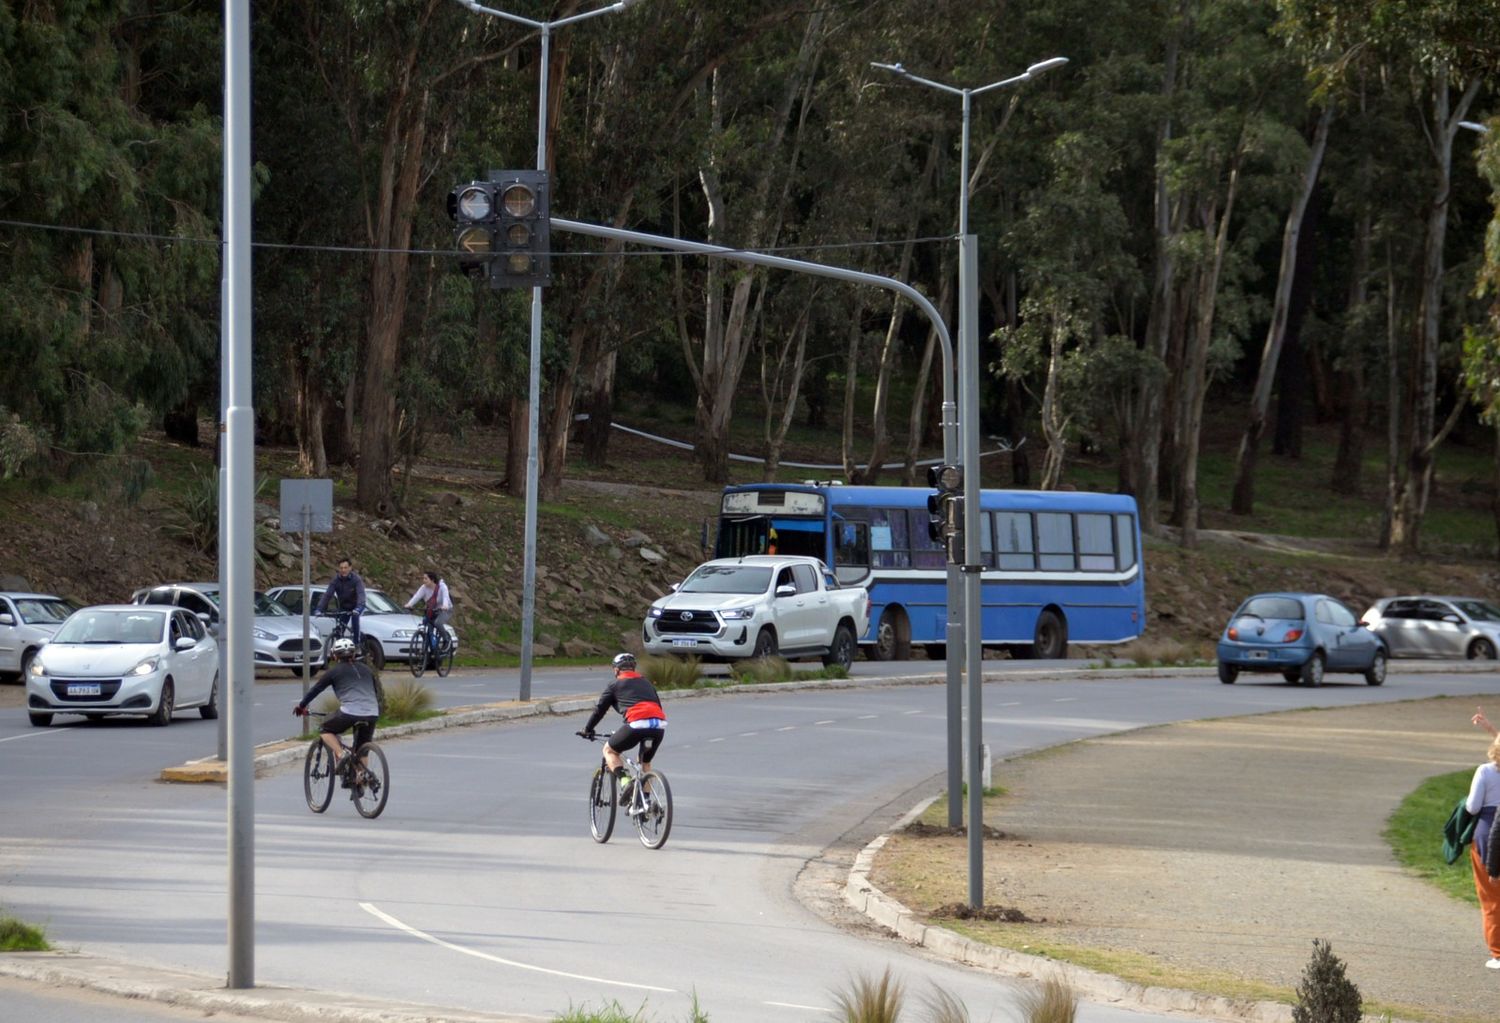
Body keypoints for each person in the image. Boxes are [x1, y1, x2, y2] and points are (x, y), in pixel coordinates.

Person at [581, 653, 666, 808]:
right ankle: (645, 803)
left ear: (616, 670)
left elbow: (599, 710)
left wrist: (588, 729)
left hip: (637, 724)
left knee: (610, 750)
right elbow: (658, 706)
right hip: (659, 725)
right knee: (645, 763)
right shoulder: (646, 682)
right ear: (633, 668)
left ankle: (626, 781)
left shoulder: (614, 685)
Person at [293, 637, 380, 786]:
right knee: (362, 748)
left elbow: (315, 690)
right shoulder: (367, 669)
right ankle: (361, 776)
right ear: (354, 654)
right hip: (372, 712)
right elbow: (376, 692)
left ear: (334, 656)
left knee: (325, 729)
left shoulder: (333, 672)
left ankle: (340, 754)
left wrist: (301, 706)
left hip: (350, 712)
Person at [1465, 706, 1500, 970]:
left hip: (1489, 835)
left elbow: (1472, 807)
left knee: (1491, 898)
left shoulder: (1485, 772)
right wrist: (1490, 728)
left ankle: (1498, 953)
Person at [314, 557, 366, 645]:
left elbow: (361, 594)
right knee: (339, 629)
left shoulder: (356, 579)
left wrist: (358, 608)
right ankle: (339, 649)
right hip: (344, 606)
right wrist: (319, 609)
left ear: (350, 568)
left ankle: (357, 645)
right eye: (341, 568)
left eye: (345, 568)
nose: (343, 570)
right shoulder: (336, 580)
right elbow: (327, 595)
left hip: (357, 606)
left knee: (355, 622)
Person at [404, 570, 453, 662]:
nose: (424, 580)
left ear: (432, 579)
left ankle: (446, 641)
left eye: (426, 578)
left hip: (445, 609)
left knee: (438, 623)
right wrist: (409, 604)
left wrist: (445, 605)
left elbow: (446, 597)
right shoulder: (424, 588)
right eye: (423, 578)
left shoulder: (442, 587)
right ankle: (431, 649)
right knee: (426, 623)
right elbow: (417, 597)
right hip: (432, 610)